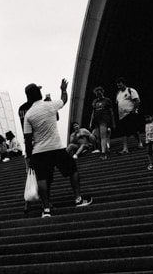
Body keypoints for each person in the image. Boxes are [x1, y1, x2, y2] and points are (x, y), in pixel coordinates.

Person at [23, 79, 93, 218]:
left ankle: (46, 209)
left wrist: (30, 156)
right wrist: (63, 89)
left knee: (42, 179)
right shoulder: (50, 105)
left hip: (39, 151)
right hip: (56, 147)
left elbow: (27, 138)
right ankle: (78, 199)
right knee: (72, 169)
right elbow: (64, 100)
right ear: (39, 93)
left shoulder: (28, 115)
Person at [115, 78, 144, 153]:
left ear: (124, 83)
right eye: (117, 84)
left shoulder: (130, 90)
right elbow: (118, 103)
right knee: (123, 132)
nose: (118, 85)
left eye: (120, 83)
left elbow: (137, 100)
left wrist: (134, 110)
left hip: (130, 113)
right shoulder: (118, 93)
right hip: (122, 115)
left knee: (134, 129)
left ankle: (139, 142)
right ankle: (125, 148)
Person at [88, 86, 115, 160]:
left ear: (102, 92)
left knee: (103, 136)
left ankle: (103, 153)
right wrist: (91, 122)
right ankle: (106, 148)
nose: (98, 94)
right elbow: (93, 112)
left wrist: (113, 122)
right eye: (96, 93)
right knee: (98, 137)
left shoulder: (107, 100)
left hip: (104, 120)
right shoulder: (95, 101)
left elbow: (111, 112)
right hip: (97, 121)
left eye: (99, 92)